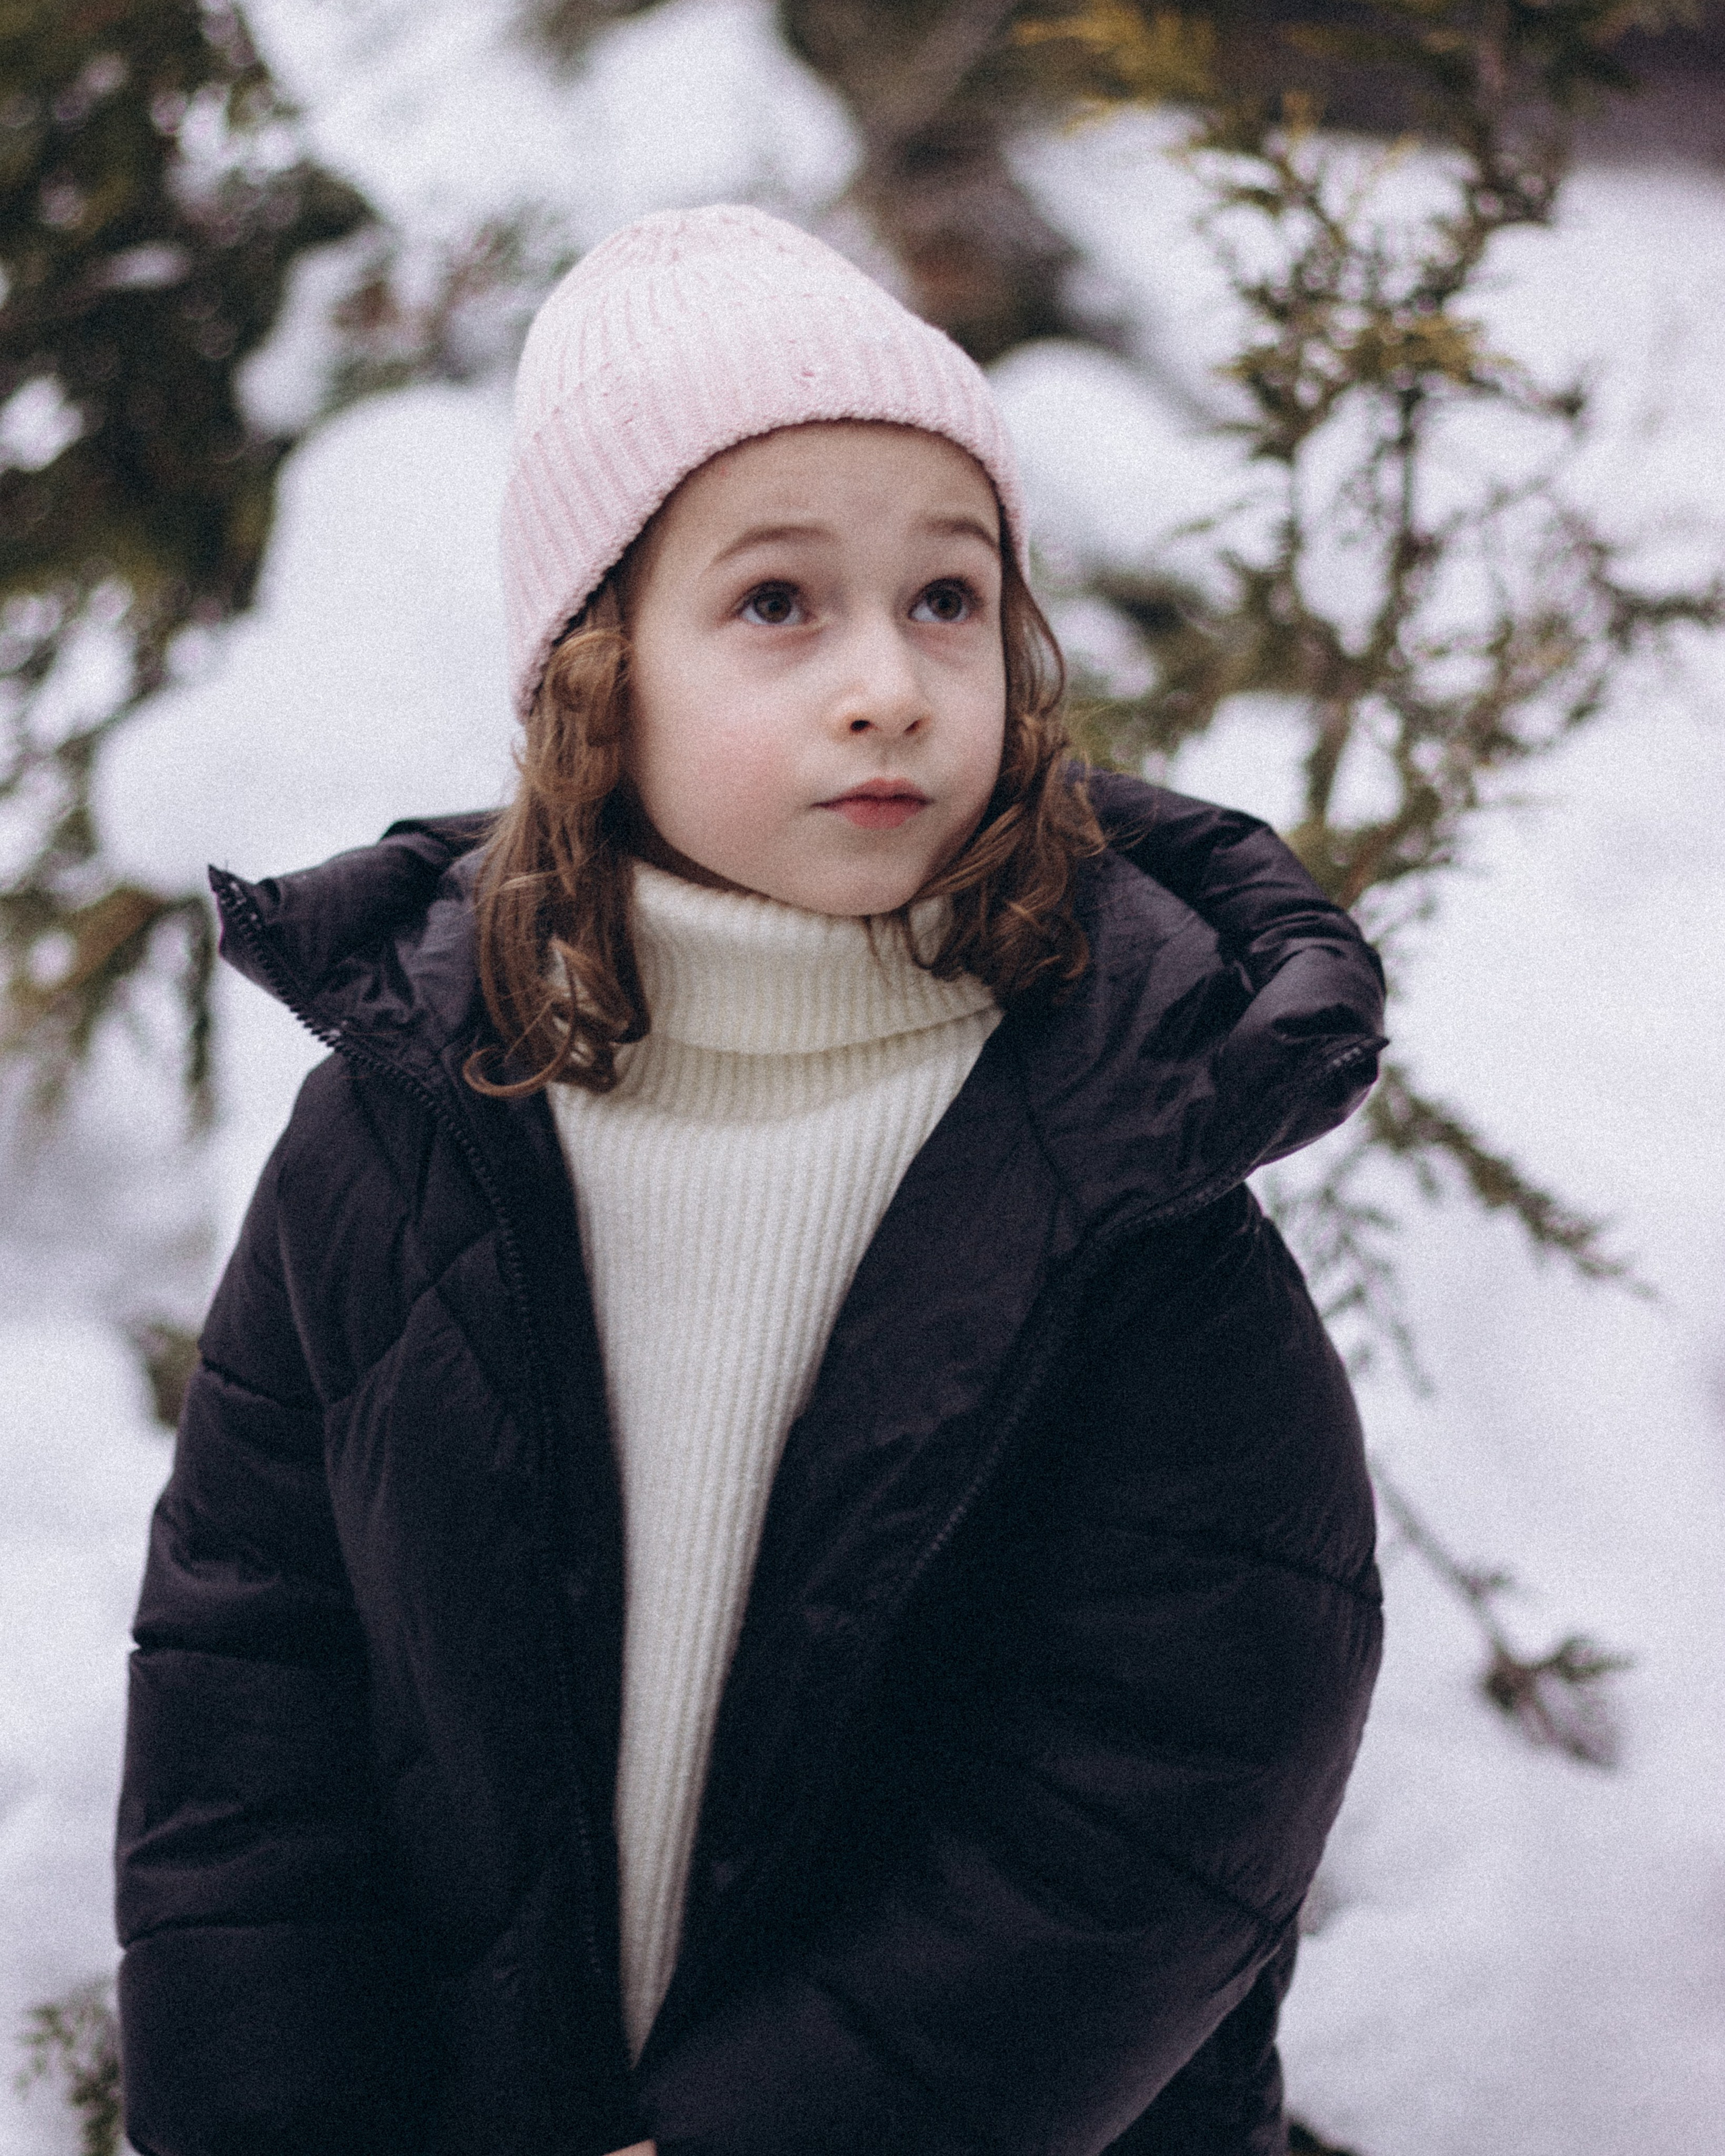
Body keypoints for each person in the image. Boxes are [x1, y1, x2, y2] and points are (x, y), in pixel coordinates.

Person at [114, 204, 1386, 2156]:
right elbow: (248, 1686)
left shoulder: (1128, 1139)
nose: (886, 682)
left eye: (948, 600)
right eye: (780, 603)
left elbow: (1176, 1776)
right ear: (597, 679)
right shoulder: (408, 1123)